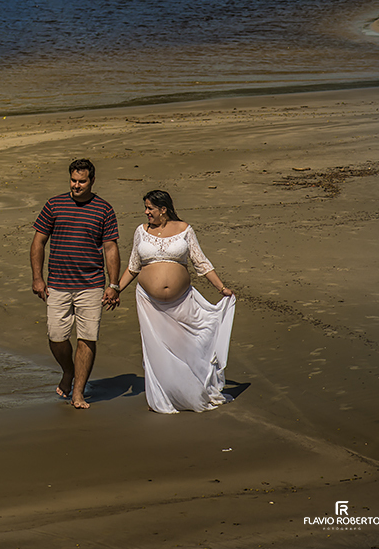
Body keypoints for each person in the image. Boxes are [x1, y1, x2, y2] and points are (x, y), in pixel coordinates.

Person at [104, 190, 236, 414]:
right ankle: (166, 395)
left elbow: (200, 262)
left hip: (182, 301)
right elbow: (134, 266)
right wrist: (115, 288)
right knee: (158, 351)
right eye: (145, 208)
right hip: (150, 304)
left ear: (163, 209)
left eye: (150, 208)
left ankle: (190, 391)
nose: (146, 212)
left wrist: (221, 288)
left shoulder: (184, 229)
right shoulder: (141, 231)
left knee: (186, 346)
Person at [30, 158, 120, 409]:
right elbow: (38, 242)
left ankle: (78, 393)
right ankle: (67, 371)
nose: (76, 185)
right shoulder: (54, 205)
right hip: (57, 283)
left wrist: (113, 284)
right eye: (73, 180)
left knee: (87, 338)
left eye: (82, 181)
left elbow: (110, 247)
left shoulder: (104, 209)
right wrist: (37, 278)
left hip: (91, 284)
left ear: (92, 180)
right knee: (56, 336)